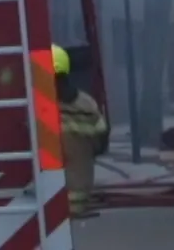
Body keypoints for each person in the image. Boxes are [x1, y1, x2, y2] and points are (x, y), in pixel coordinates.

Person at [55, 43, 107, 218]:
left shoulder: (41, 110)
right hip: (80, 198)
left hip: (52, 204)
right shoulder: (88, 104)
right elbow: (101, 144)